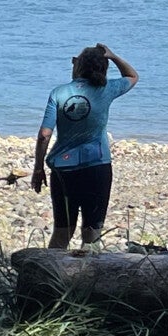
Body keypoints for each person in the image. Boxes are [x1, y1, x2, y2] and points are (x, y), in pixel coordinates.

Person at [33, 43, 138, 252]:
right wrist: (114, 56)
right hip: (97, 167)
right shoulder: (107, 88)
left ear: (78, 66)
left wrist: (38, 169)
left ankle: (48, 279)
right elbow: (133, 76)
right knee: (91, 236)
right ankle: (87, 280)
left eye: (75, 61)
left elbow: (45, 134)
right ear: (103, 69)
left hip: (64, 170)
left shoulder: (59, 93)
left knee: (62, 233)